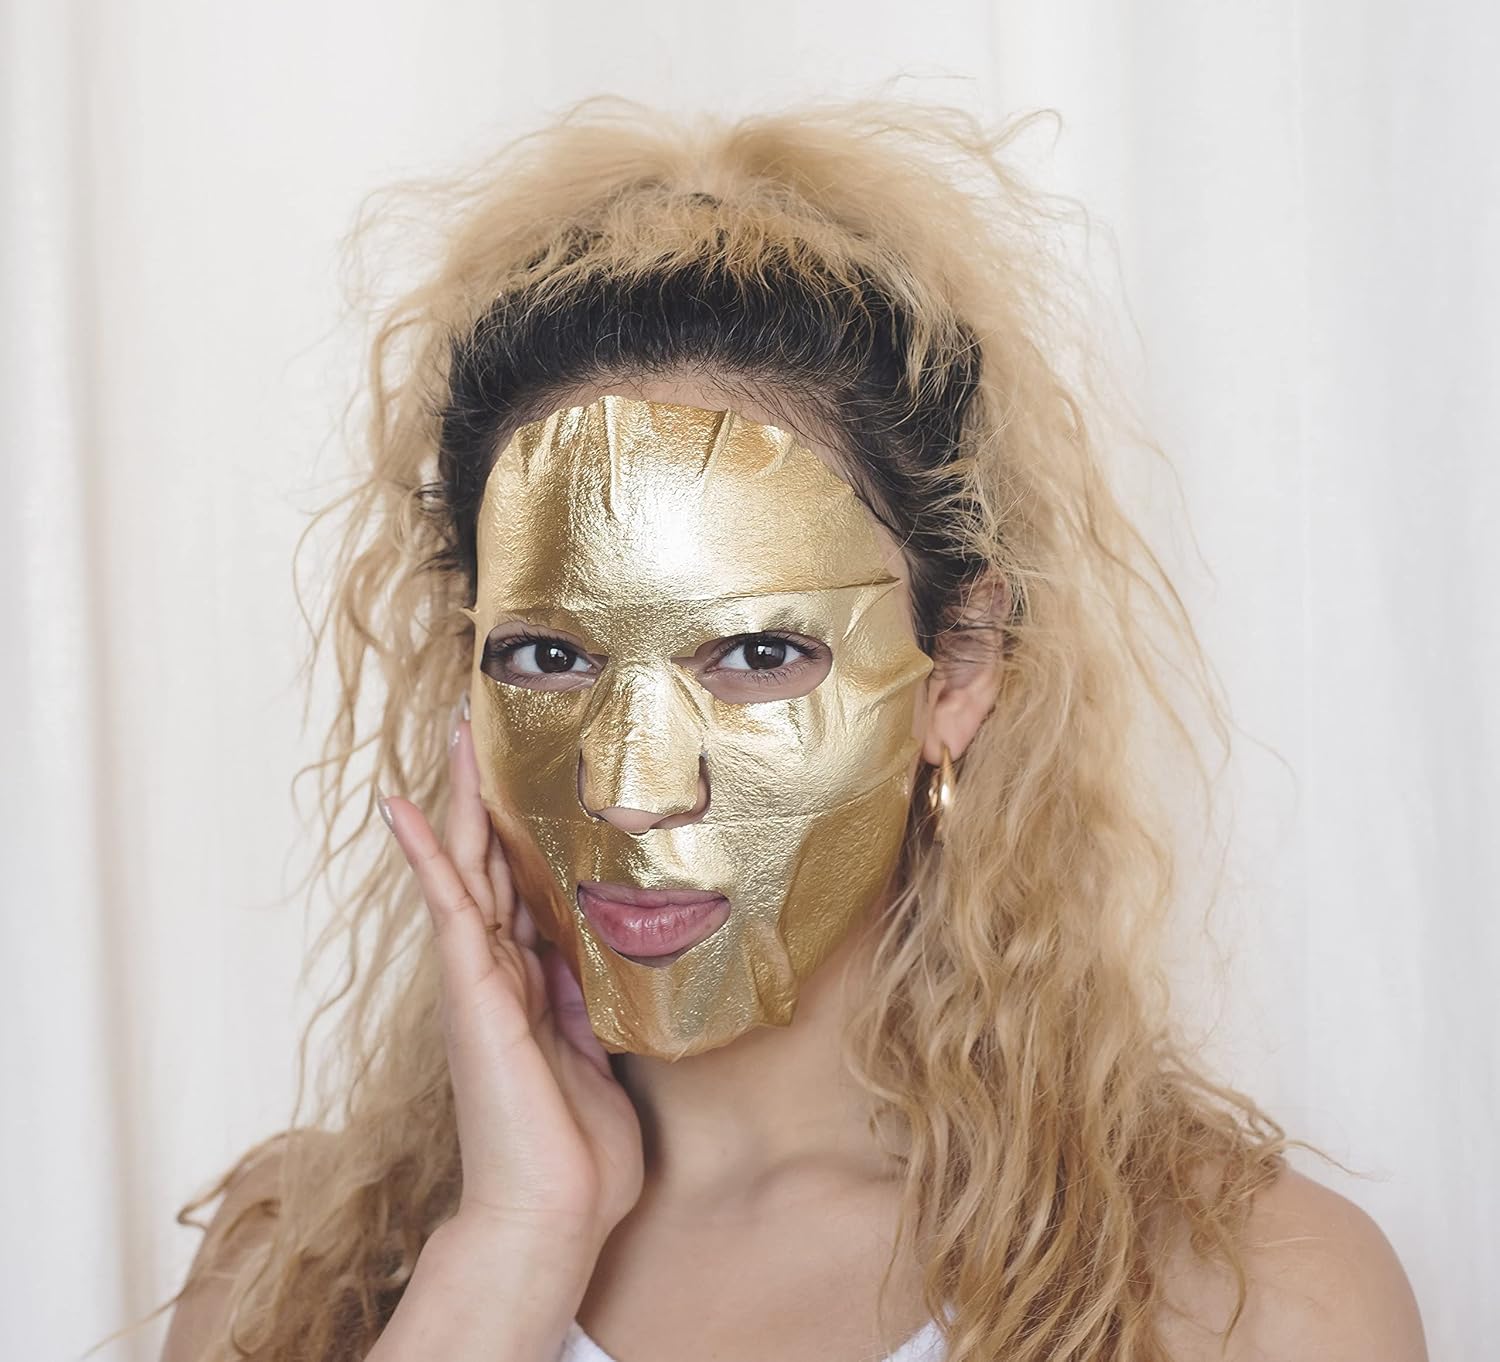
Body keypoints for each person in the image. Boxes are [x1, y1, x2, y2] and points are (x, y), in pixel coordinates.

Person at [157, 100, 1426, 1362]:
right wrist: (510, 1244)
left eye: (760, 655)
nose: (636, 793)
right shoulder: (294, 1270)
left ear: (958, 669)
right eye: (550, 656)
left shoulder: (1247, 1295)